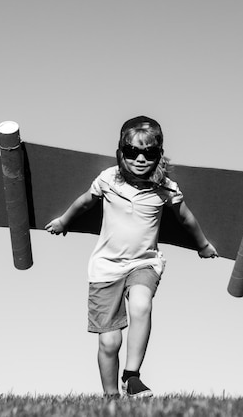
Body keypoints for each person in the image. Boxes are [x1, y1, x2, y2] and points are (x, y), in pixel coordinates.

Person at [45, 116, 218, 398]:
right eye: (132, 152)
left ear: (159, 154)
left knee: (141, 304)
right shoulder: (108, 179)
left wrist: (202, 245)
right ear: (121, 152)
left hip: (144, 262)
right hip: (105, 268)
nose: (140, 159)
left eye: (148, 153)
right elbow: (85, 201)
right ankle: (111, 396)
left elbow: (186, 218)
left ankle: (132, 376)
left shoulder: (166, 189)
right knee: (109, 343)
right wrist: (64, 221)